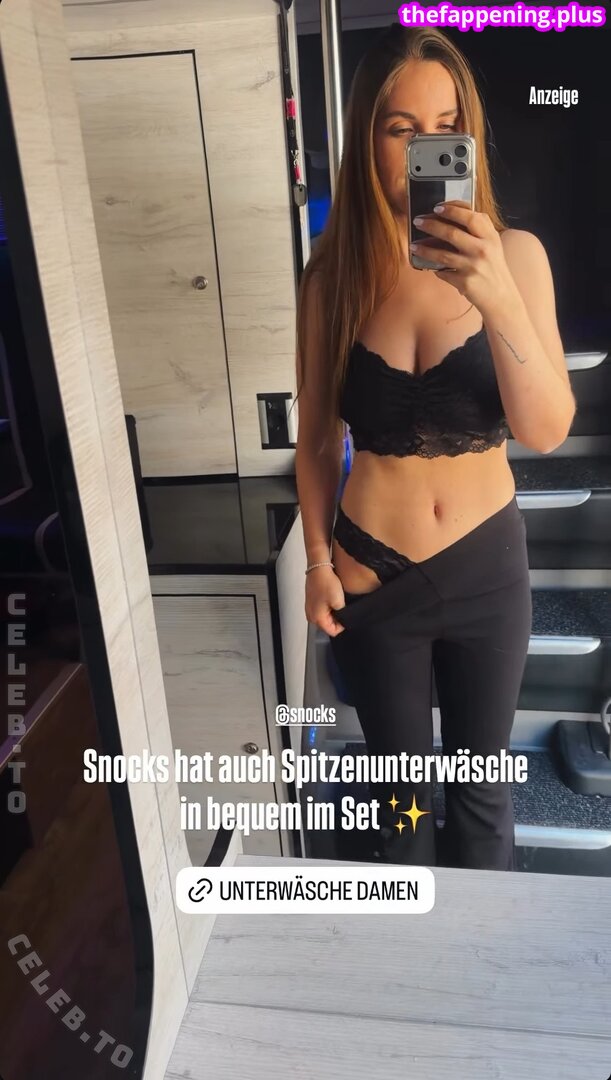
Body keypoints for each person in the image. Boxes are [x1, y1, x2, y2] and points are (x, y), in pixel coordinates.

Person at [294, 24, 576, 871]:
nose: (428, 148)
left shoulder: (516, 257)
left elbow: (545, 429)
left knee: (483, 799)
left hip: (487, 570)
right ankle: (403, 950)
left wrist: (496, 296)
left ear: (470, 138)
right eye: (401, 128)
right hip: (369, 572)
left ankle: (478, 957)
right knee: (400, 803)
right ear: (368, 140)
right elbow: (317, 438)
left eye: (446, 126)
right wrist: (315, 561)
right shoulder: (332, 277)